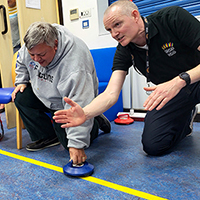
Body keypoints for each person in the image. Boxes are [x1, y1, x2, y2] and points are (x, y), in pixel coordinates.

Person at [53, 0, 200, 156]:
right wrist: (86, 113)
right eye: (109, 29)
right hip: (170, 94)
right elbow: (111, 93)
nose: (114, 34)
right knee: (153, 145)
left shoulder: (172, 18)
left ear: (135, 15)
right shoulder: (124, 49)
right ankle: (186, 119)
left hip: (195, 80)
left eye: (117, 25)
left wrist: (180, 80)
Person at [11, 21, 111, 165]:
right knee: (21, 96)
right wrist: (21, 81)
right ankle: (47, 137)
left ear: (55, 45)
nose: (36, 60)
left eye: (41, 55)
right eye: (32, 55)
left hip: (69, 102)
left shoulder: (75, 62)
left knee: (68, 143)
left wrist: (76, 144)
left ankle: (94, 118)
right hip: (45, 94)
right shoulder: (33, 48)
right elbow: (21, 61)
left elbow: (79, 100)